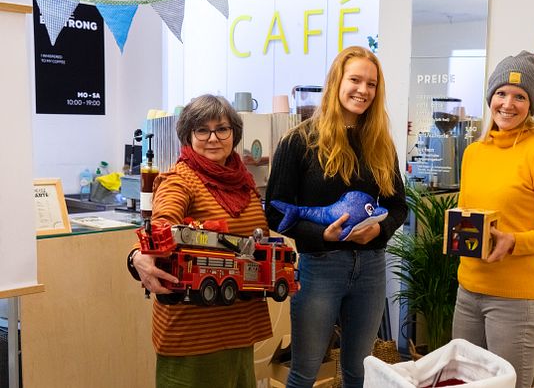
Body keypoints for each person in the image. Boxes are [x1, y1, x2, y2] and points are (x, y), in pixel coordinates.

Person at [265, 45, 407, 388]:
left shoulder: (380, 144)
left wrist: (379, 231)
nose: (363, 90)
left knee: (359, 371)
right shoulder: (299, 142)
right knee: (305, 372)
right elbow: (274, 211)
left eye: (371, 84)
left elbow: (399, 206)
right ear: (336, 82)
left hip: (371, 268)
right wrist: (322, 236)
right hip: (319, 266)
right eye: (355, 80)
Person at [128, 94, 272, 388]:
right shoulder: (179, 179)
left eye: (222, 128)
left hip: (239, 324)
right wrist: (137, 255)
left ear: (234, 133)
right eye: (202, 130)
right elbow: (164, 221)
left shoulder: (243, 182)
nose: (213, 138)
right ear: (188, 136)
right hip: (193, 333)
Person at [452, 50, 534, 388]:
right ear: (490, 97)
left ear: (532, 106)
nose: (508, 103)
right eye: (501, 93)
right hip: (468, 290)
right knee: (462, 385)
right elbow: (467, 216)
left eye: (520, 96)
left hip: (515, 300)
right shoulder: (474, 152)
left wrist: (514, 241)